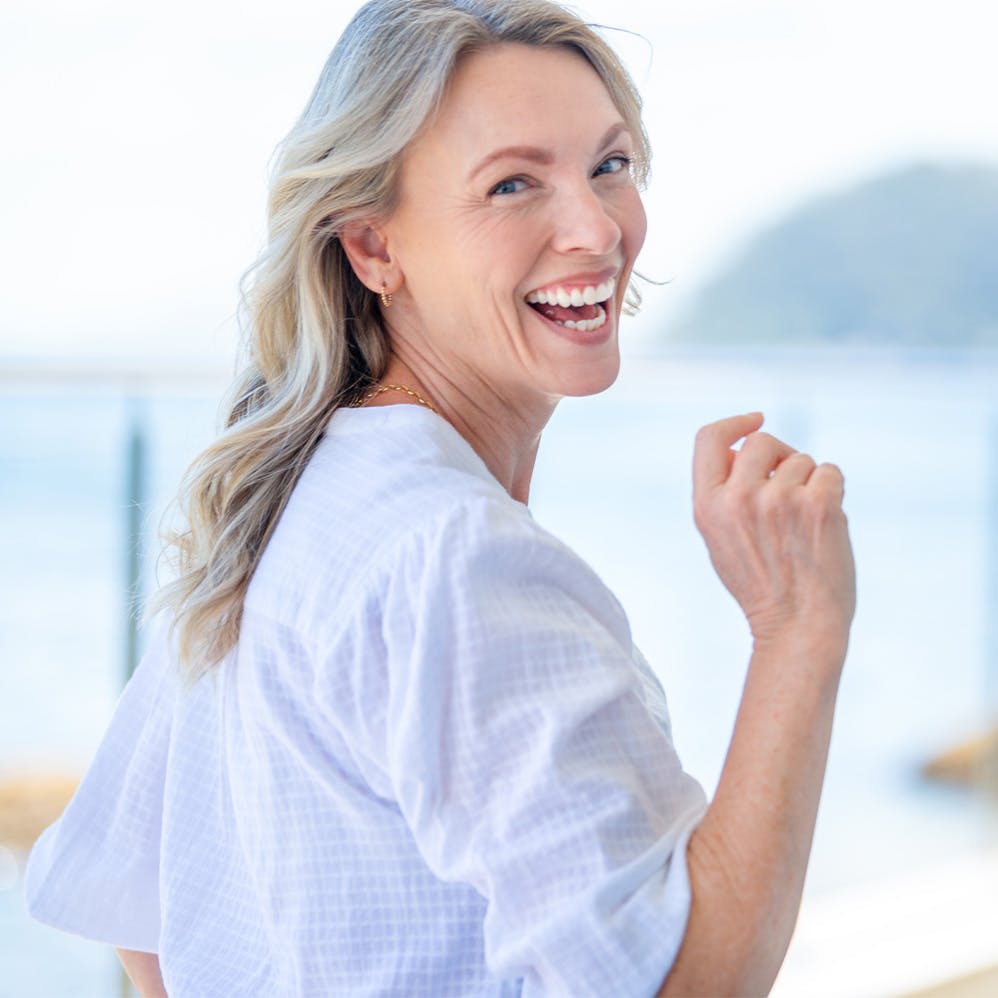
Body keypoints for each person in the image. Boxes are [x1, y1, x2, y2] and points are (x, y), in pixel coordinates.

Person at [24, 1, 856, 995]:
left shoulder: (285, 493)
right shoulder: (460, 555)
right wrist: (796, 625)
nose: (593, 227)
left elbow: (143, 907)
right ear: (373, 248)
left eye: (609, 164)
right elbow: (680, 984)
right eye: (511, 183)